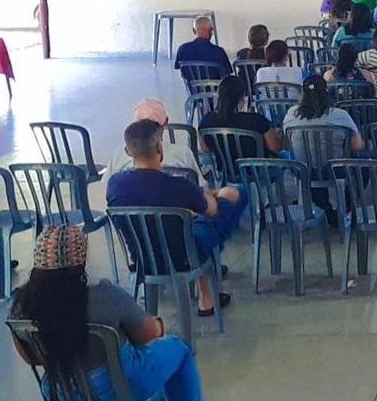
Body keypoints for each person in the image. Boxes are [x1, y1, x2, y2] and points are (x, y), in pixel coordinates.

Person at [9, 223, 211, 401]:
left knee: (76, 370)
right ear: (80, 260)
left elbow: (30, 357)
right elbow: (149, 334)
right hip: (119, 391)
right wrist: (159, 325)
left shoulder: (21, 306)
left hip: (62, 396)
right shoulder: (105, 297)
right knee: (180, 351)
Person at [106, 119, 246, 316]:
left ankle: (206, 287)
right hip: (184, 257)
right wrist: (214, 195)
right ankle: (207, 281)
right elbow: (212, 210)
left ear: (128, 152)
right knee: (233, 195)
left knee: (191, 230)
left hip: (142, 259)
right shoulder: (177, 186)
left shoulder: (114, 185)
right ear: (159, 149)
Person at [104, 99, 202, 178]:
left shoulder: (119, 156)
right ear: (166, 122)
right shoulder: (183, 153)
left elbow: (104, 188)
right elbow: (200, 187)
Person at [282, 75, 365, 153]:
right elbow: (357, 146)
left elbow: (286, 143)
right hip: (337, 167)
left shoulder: (291, 114)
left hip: (301, 167)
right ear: (326, 92)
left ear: (302, 93)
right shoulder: (341, 115)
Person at [199, 76, 282, 154]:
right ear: (241, 98)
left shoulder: (206, 122)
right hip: (259, 169)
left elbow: (205, 149)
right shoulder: (256, 121)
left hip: (225, 169)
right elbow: (276, 147)